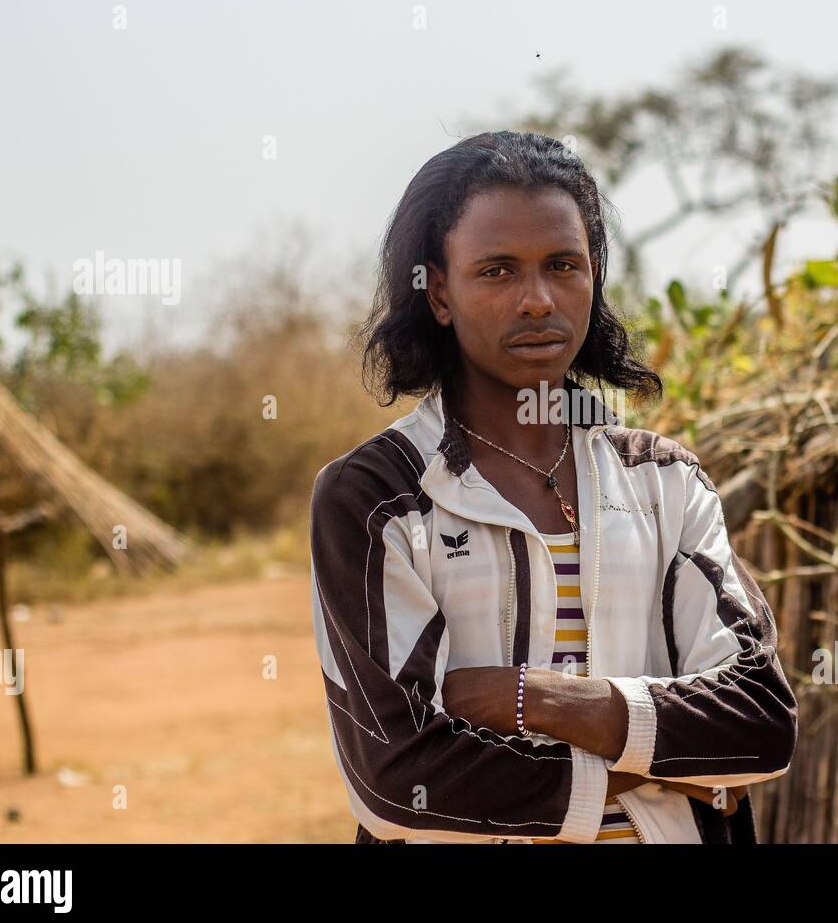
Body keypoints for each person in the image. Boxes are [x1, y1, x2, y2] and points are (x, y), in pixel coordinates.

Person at [309, 130, 798, 843]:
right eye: (497, 271)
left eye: (563, 265)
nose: (538, 299)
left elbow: (759, 723)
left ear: (594, 274)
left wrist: (533, 698)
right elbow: (399, 777)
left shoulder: (664, 480)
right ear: (438, 291)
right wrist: (668, 757)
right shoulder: (377, 498)